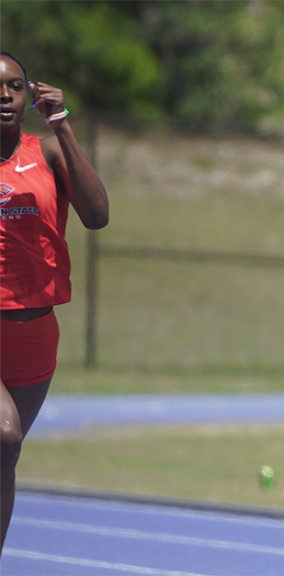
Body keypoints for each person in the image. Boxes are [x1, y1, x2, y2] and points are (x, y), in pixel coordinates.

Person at [0, 52, 109, 556]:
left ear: (29, 95)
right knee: (4, 436)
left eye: (15, 86)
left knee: (3, 460)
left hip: (34, 331)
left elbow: (97, 215)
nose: (4, 95)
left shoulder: (47, 153)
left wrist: (62, 125)